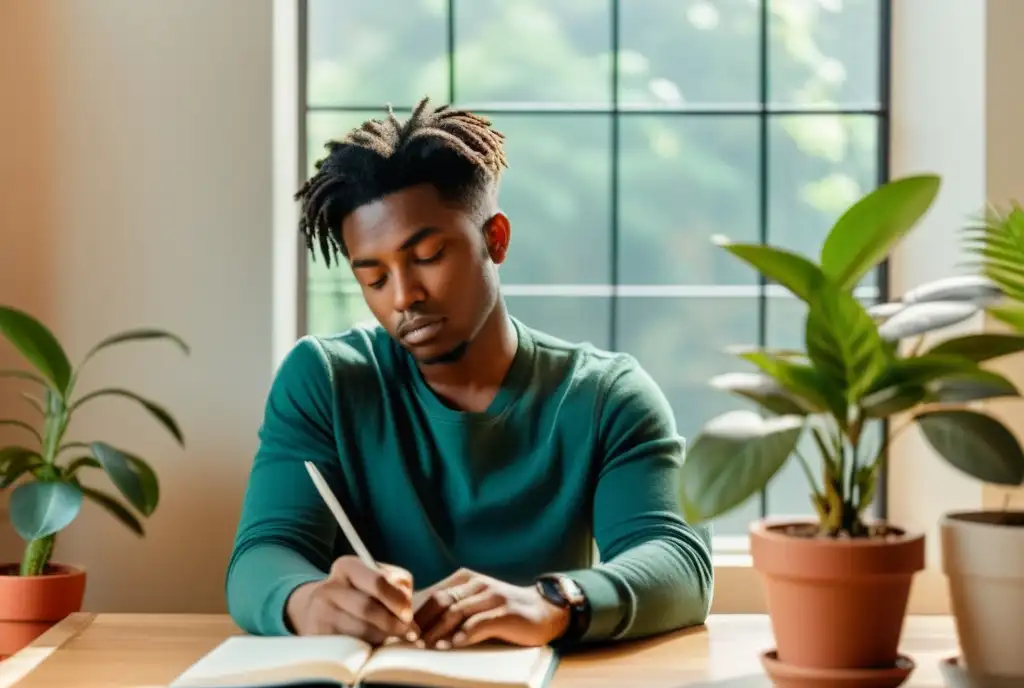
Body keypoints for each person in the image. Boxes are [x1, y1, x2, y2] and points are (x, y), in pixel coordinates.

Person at [226, 97, 713, 651]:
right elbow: (260, 556)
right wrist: (309, 601)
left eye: (429, 255)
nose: (404, 296)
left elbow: (679, 560)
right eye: (374, 278)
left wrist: (553, 603)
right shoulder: (324, 380)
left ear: (495, 239)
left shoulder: (606, 397)